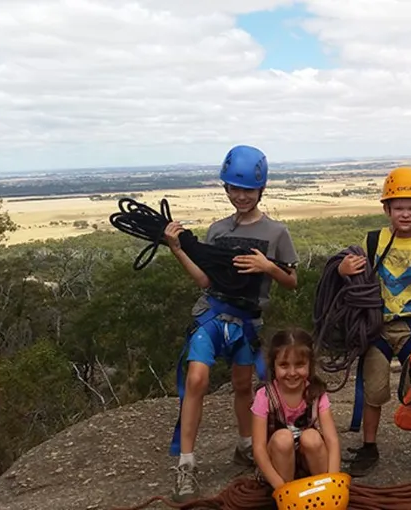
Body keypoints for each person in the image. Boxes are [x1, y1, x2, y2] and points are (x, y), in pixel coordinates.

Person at [163, 144, 299, 502]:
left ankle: (244, 445)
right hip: (212, 313)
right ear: (225, 189)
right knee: (196, 378)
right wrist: (177, 250)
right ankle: (186, 464)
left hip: (248, 320)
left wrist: (268, 267)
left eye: (247, 190)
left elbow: (291, 281)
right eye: (234, 189)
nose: (240, 196)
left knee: (244, 385)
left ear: (261, 190)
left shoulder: (276, 232)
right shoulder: (217, 230)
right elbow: (207, 282)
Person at [337, 166, 411, 477]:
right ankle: (369, 446)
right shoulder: (372, 241)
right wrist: (342, 270)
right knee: (373, 390)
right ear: (387, 208)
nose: (405, 214)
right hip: (376, 328)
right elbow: (354, 279)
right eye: (398, 207)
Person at [251, 328, 341, 489]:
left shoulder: (316, 393)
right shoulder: (264, 396)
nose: (292, 373)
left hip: (307, 463)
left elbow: (332, 440)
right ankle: (288, 492)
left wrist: (333, 480)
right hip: (277, 467)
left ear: (310, 365)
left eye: (299, 365)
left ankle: (323, 488)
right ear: (274, 365)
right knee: (283, 439)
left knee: (312, 437)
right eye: (284, 365)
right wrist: (280, 487)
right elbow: (258, 448)